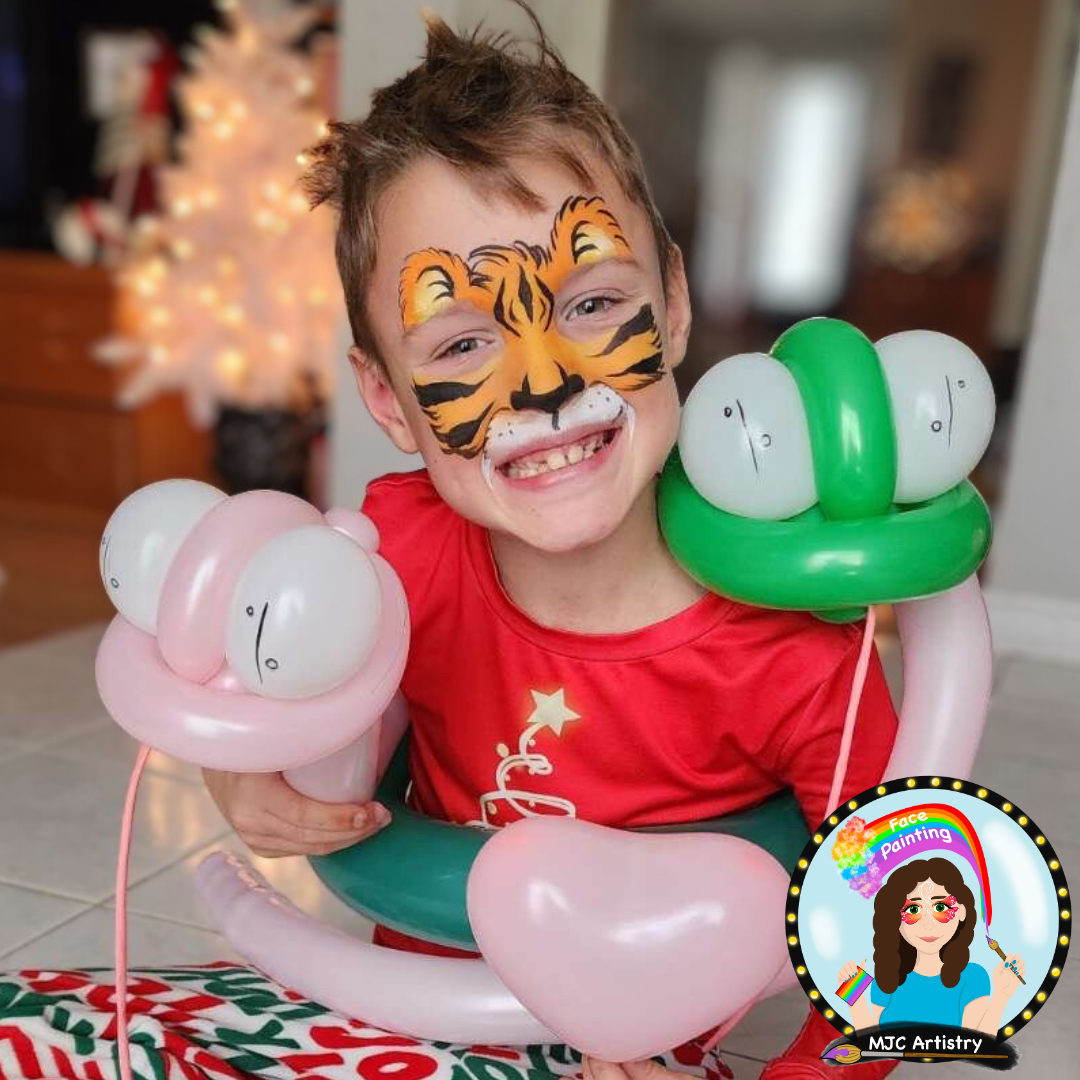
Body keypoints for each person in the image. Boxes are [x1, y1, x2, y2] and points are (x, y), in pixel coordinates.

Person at [202, 6, 900, 1079]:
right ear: (389, 401)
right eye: (465, 339)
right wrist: (237, 773)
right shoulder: (385, 553)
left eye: (592, 300)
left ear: (670, 305)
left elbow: (907, 930)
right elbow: (243, 674)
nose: (545, 381)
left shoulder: (798, 653)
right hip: (408, 1016)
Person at [839, 857, 1025, 1034]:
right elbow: (873, 1045)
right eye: (913, 910)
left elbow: (975, 1046)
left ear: (961, 912)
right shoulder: (886, 977)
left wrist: (1002, 995)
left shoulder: (974, 978)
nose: (928, 924)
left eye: (941, 908)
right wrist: (853, 995)